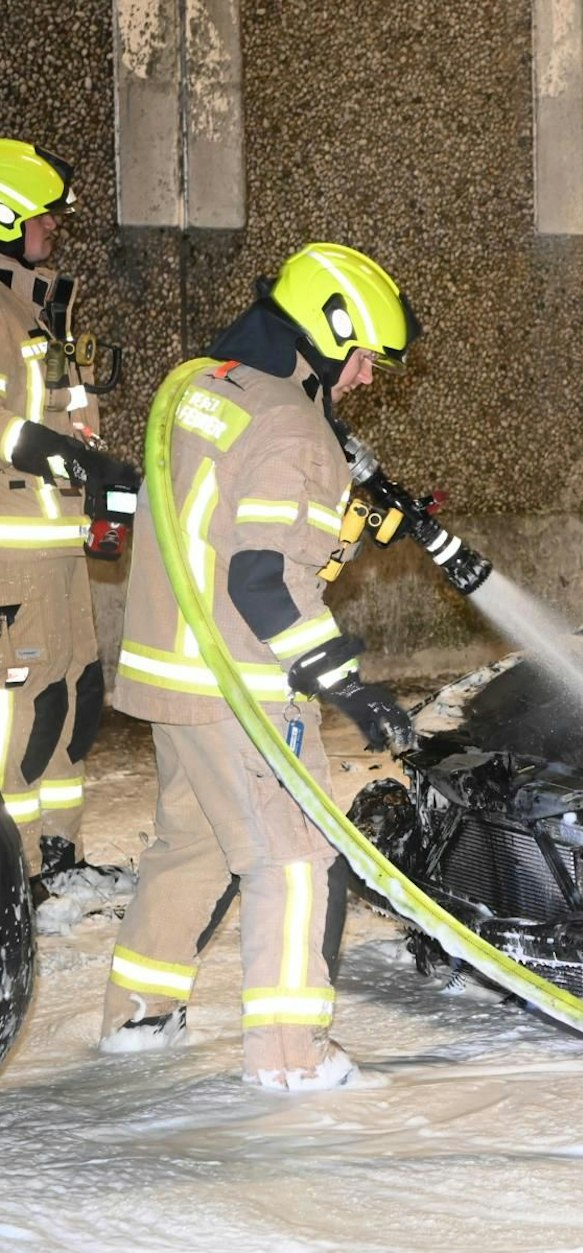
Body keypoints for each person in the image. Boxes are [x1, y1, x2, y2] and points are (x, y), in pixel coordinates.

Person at [104, 243, 417, 1091]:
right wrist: (347, 683)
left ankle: (139, 1018)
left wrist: (344, 522)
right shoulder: (294, 426)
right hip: (236, 684)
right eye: (361, 359)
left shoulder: (206, 384)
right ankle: (290, 1056)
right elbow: (263, 579)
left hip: (172, 674)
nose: (362, 379)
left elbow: (224, 528)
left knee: (191, 847)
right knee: (290, 859)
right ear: (329, 330)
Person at [0, 138, 137, 902]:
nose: (53, 229)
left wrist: (101, 473)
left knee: (75, 699)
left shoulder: (40, 310)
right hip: (11, 552)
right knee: (23, 714)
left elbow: (68, 418)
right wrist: (70, 459)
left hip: (57, 544)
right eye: (43, 217)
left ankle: (60, 856)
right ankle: (13, 875)